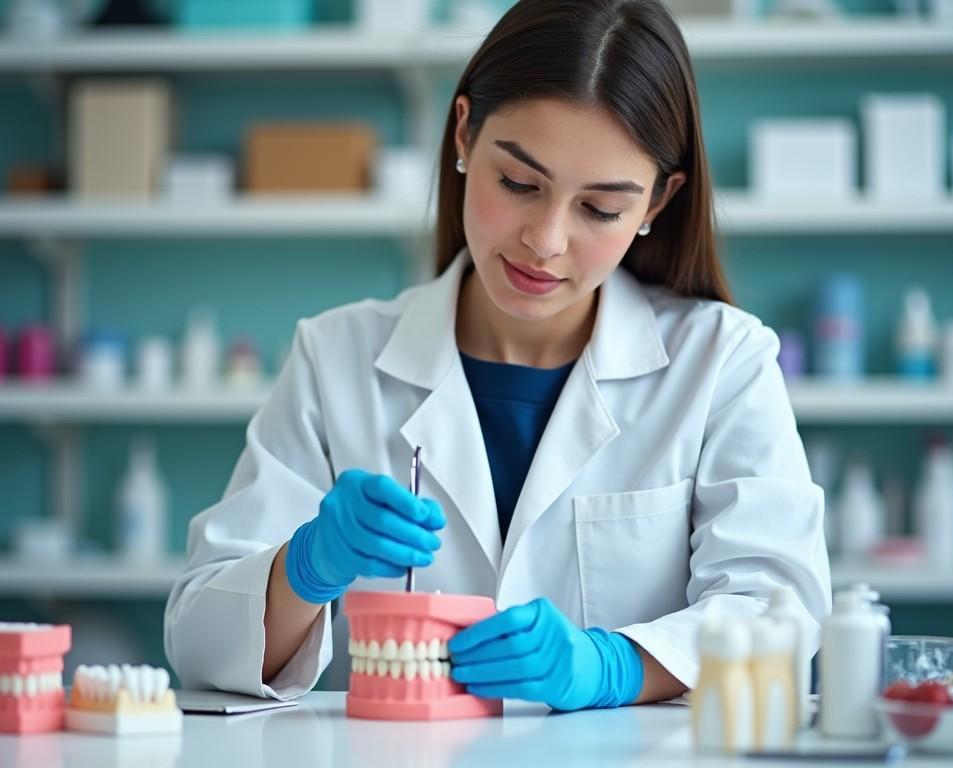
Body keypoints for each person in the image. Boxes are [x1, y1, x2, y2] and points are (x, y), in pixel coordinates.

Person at [165, 0, 831, 710]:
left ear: (657, 204)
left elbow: (780, 611)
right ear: (463, 135)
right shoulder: (338, 358)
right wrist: (304, 567)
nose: (545, 240)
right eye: (518, 183)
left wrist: (613, 667)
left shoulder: (721, 362)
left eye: (600, 209)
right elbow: (200, 644)